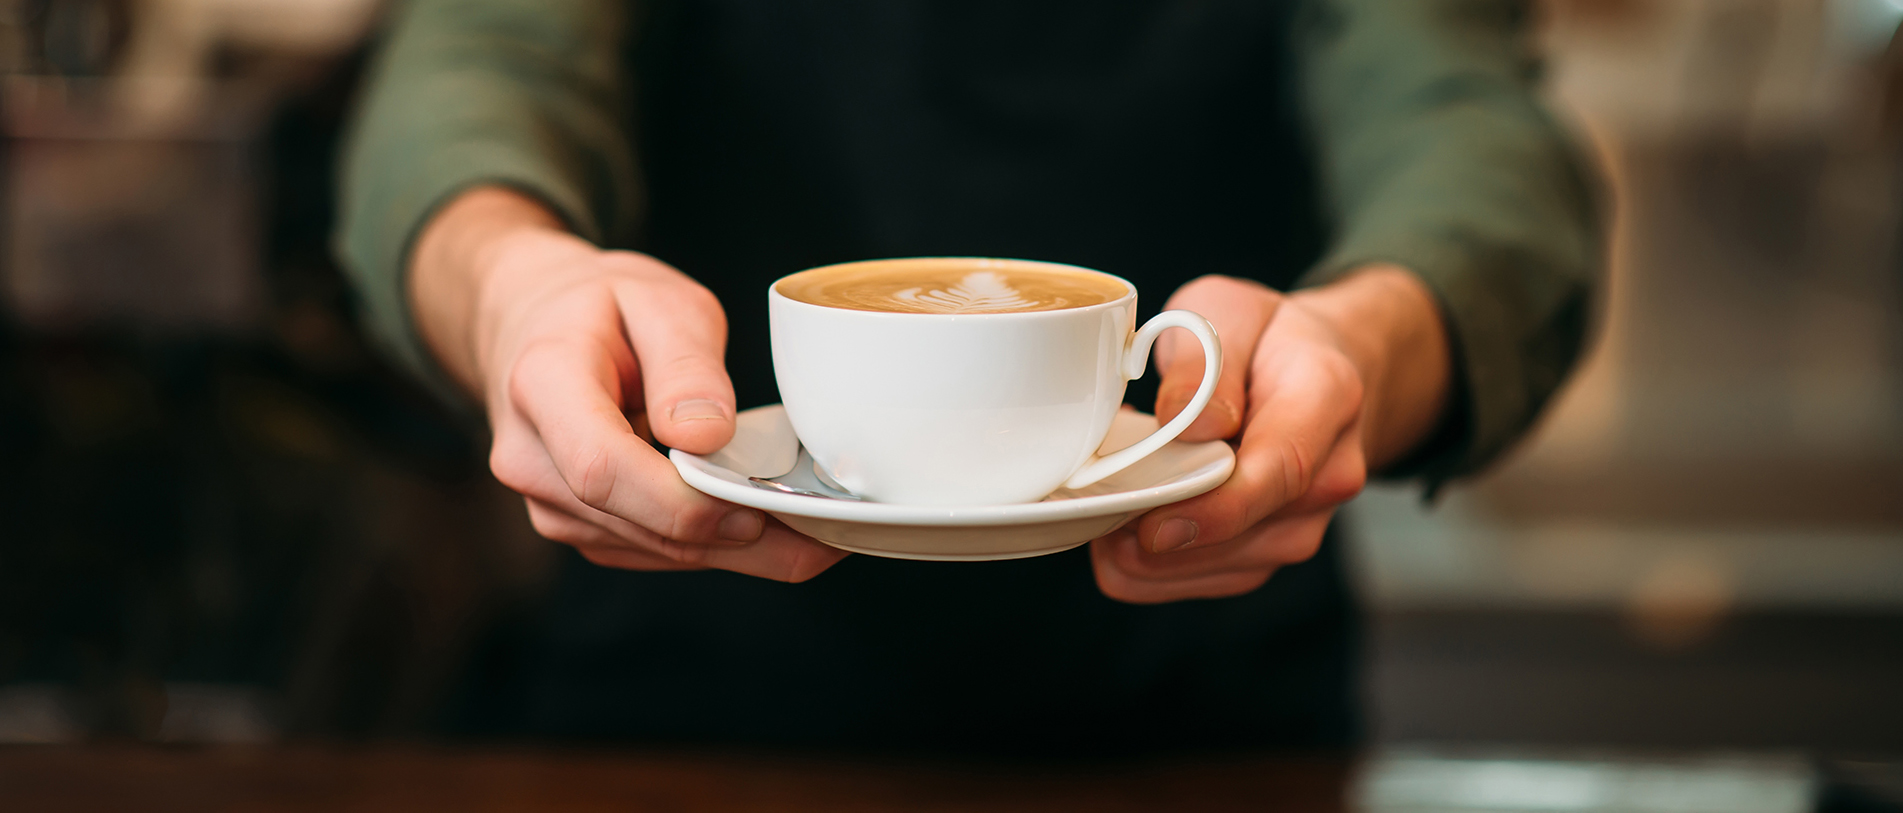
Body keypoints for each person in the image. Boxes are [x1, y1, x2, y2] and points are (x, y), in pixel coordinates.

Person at [338, 0, 1597, 754]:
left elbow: (1469, 136)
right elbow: (475, 69)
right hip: (689, 711)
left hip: (1202, 722)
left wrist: (1363, 343)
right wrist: (511, 284)